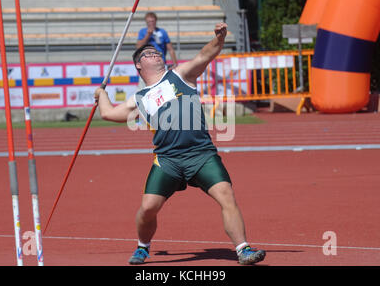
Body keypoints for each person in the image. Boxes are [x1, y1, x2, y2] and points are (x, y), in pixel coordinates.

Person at [94, 23, 265, 265]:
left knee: (226, 194)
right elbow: (109, 114)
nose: (155, 53)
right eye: (148, 53)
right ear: (139, 65)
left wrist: (219, 38)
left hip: (201, 154)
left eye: (156, 51)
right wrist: (102, 95)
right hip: (168, 159)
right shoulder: (140, 98)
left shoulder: (180, 74)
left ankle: (243, 249)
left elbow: (206, 54)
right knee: (148, 208)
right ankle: (143, 247)